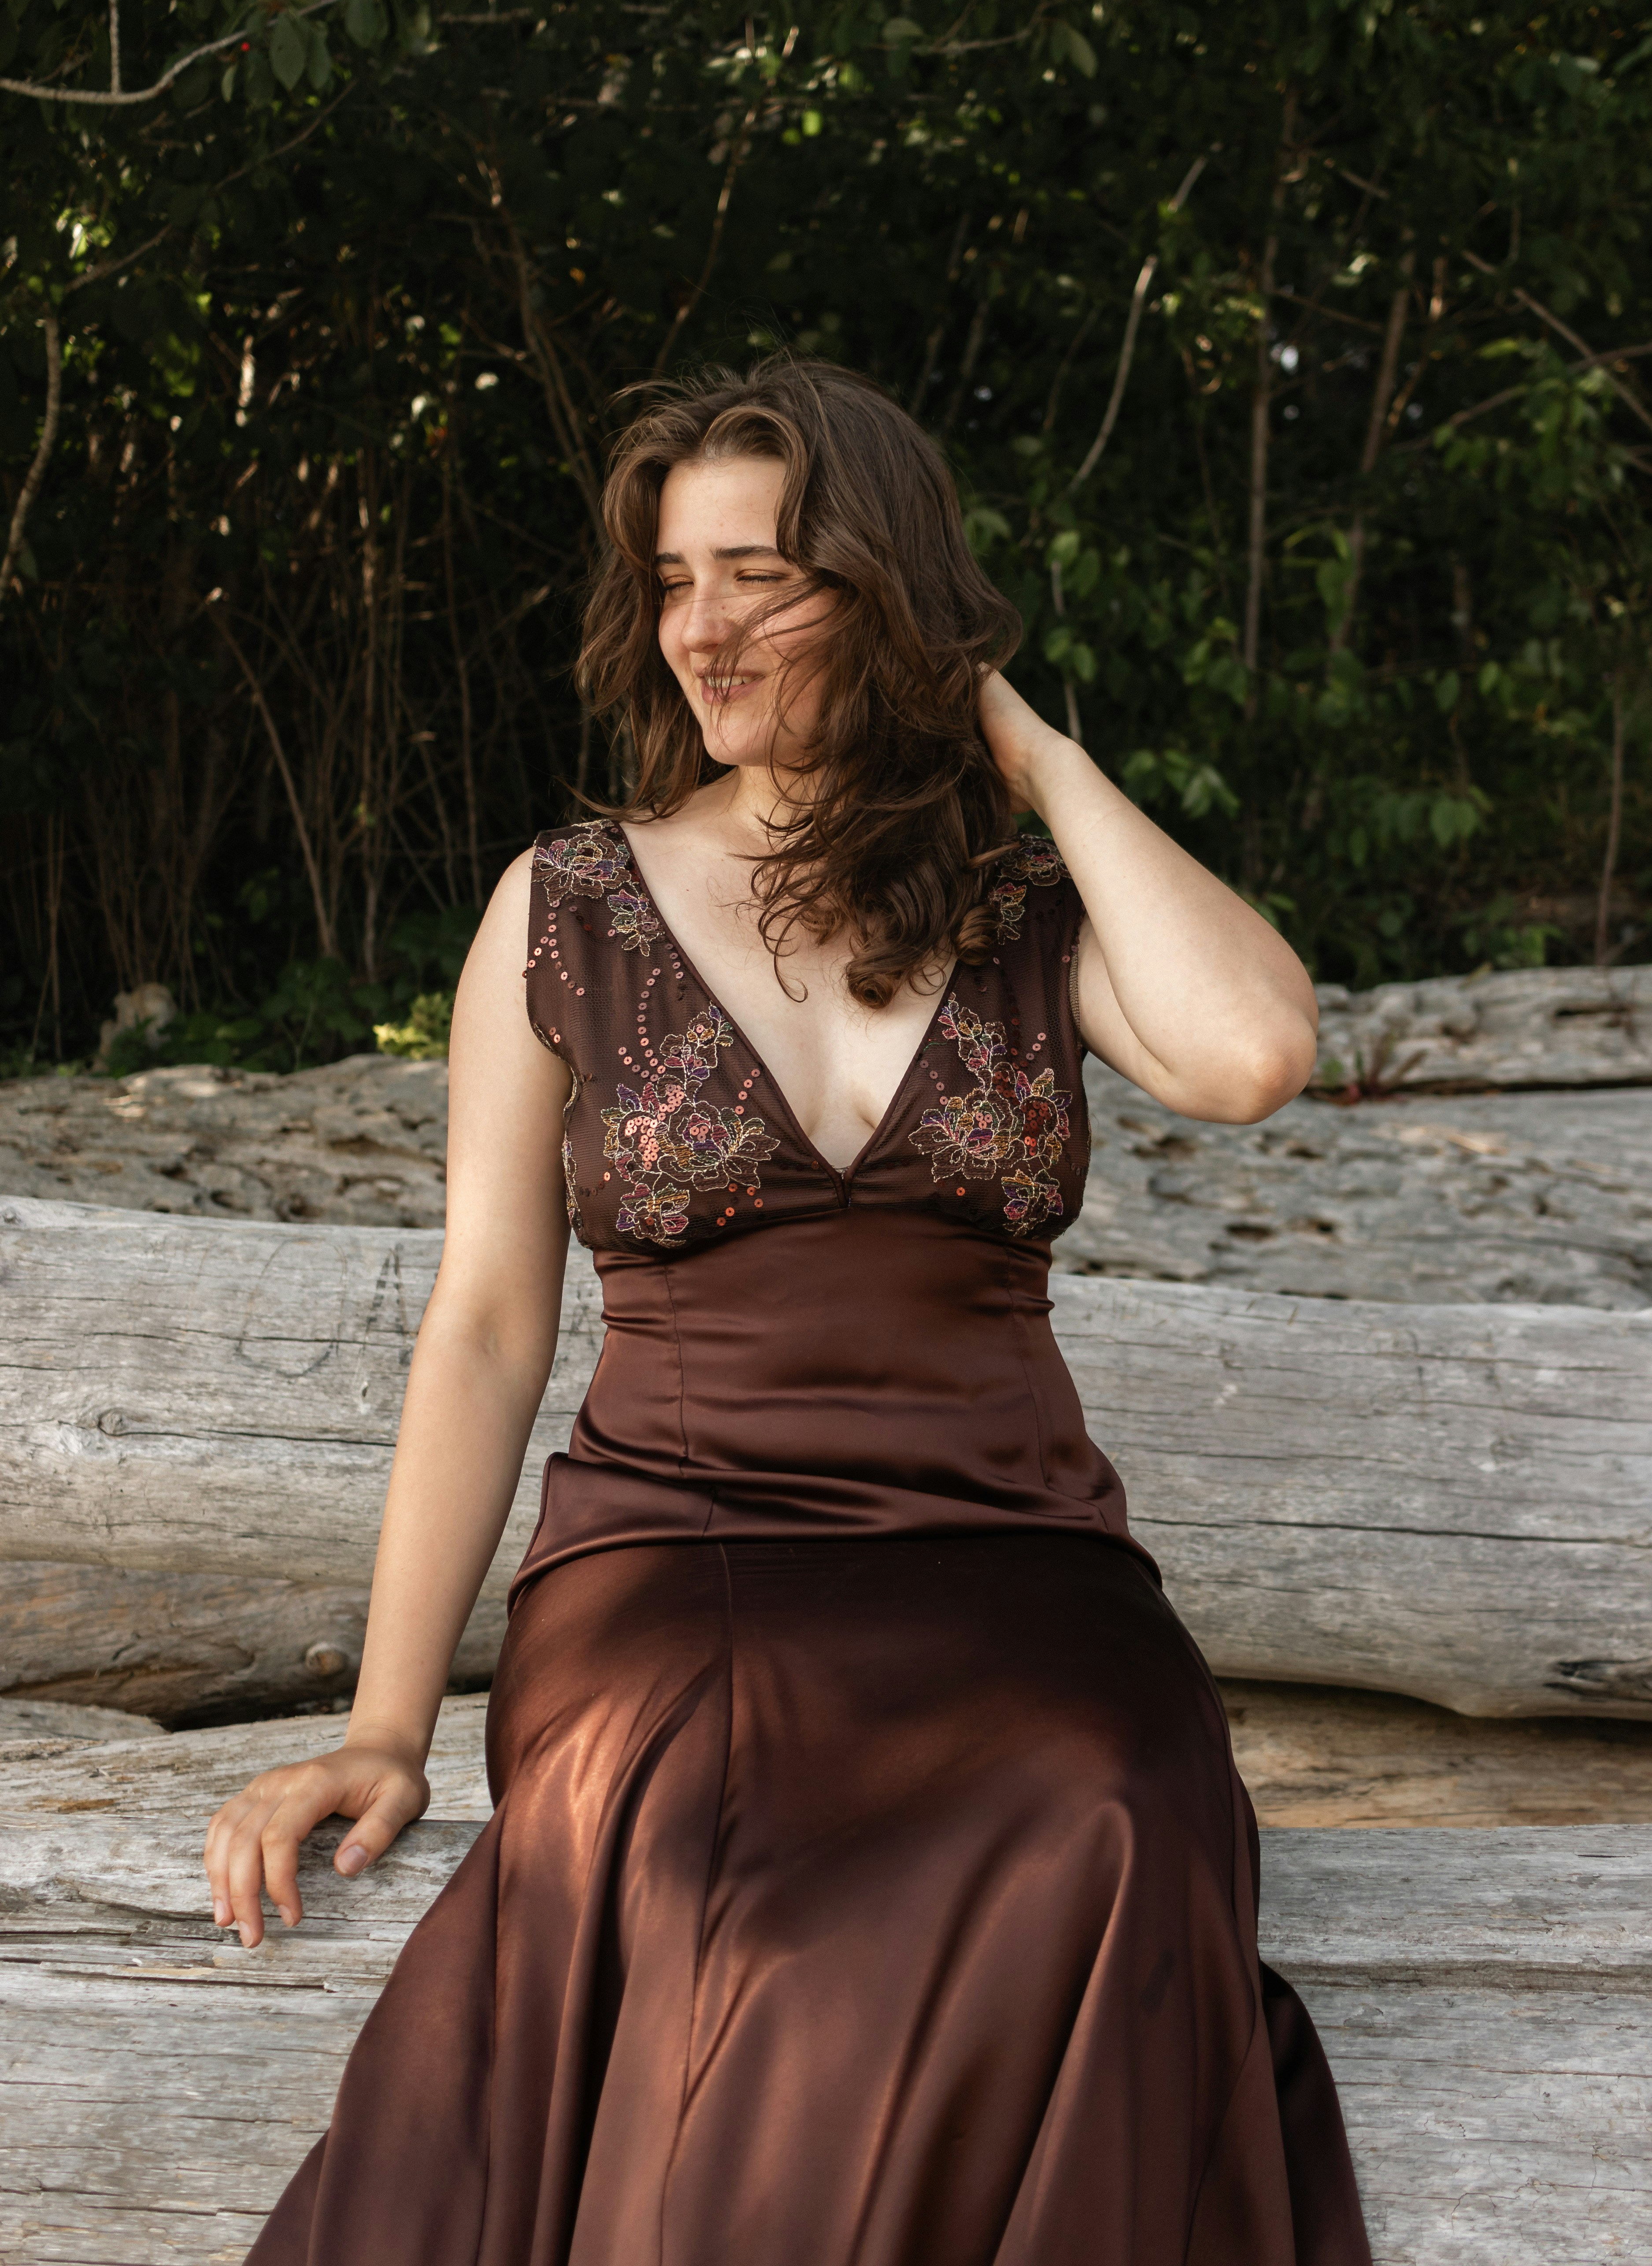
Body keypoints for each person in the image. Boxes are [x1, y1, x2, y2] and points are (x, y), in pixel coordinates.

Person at [206, 355, 1370, 2266]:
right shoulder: (565, 905)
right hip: (677, 1557)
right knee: (682, 1850)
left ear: (887, 593)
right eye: (673, 581)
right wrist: (388, 1722)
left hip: (1015, 1558)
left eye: (759, 574)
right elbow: (489, 1327)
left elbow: (1250, 1054)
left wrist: (1021, 746)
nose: (702, 629)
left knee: (1110, 1806)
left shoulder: (1027, 905)